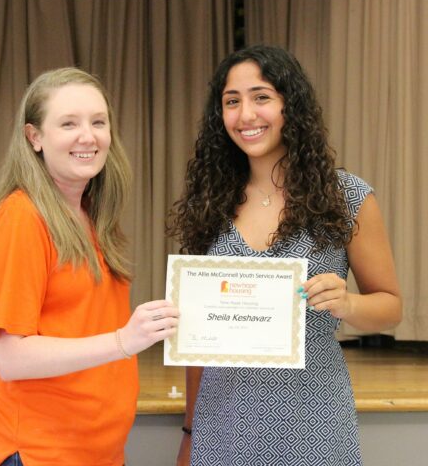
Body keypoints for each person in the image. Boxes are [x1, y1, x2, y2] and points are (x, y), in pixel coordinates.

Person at [168, 45, 402, 466]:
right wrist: (189, 429)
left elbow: (390, 308)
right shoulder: (209, 201)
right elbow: (197, 340)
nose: (246, 115)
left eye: (261, 97)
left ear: (289, 106)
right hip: (222, 423)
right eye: (231, 101)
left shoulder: (346, 196)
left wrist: (347, 304)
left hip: (314, 421)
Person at [0, 67, 179, 466]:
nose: (88, 136)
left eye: (98, 122)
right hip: (35, 454)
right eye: (68, 123)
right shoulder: (21, 218)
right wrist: (124, 340)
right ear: (35, 138)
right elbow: (12, 358)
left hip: (94, 452)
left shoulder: (91, 215)